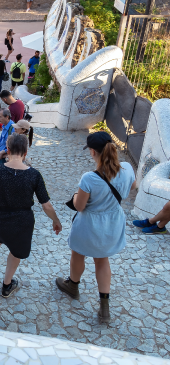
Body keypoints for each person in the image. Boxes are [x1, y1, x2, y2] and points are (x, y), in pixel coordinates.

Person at [56, 131, 136, 323]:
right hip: (112, 223)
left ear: (92, 152)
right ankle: (104, 308)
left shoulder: (89, 178)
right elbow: (132, 187)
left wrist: (76, 196)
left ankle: (73, 286)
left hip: (89, 225)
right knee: (102, 261)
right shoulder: (126, 168)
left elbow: (79, 206)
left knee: (77, 254)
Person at [0, 134, 62, 298]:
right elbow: (46, 205)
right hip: (22, 222)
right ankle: (7, 285)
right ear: (26, 152)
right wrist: (56, 220)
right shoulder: (34, 175)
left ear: (8, 150)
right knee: (15, 252)